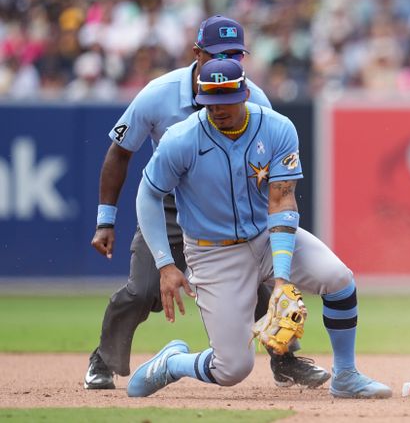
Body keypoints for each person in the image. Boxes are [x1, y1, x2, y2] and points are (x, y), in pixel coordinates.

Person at [85, 15, 330, 391]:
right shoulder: (159, 93)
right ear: (196, 52)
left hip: (229, 208)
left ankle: (285, 360)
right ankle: (104, 358)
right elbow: (120, 152)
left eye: (235, 53)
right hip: (170, 204)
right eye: (218, 52)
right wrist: (106, 219)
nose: (227, 59)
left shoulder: (253, 98)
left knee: (261, 278)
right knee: (144, 288)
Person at [126, 58, 391, 400]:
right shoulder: (181, 139)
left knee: (338, 278)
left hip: (265, 236)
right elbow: (148, 193)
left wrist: (281, 280)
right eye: (211, 100)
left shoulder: (277, 128)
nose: (218, 108)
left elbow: (281, 204)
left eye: (227, 99)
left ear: (246, 93)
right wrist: (164, 264)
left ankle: (346, 375)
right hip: (213, 252)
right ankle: (173, 363)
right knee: (231, 369)